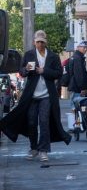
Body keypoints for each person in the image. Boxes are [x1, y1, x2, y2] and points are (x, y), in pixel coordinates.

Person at [0, 30, 71, 161]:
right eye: (38, 42)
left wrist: (44, 71)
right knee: (32, 122)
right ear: (34, 42)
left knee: (44, 121)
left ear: (45, 42)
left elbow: (58, 73)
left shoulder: (53, 57)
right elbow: (21, 72)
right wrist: (26, 69)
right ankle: (33, 148)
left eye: (42, 42)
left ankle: (43, 150)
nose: (40, 44)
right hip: (31, 96)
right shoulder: (29, 55)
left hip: (47, 96)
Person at [67, 41, 87, 129]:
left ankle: (76, 125)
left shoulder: (73, 57)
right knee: (77, 106)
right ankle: (77, 125)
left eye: (86, 47)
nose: (85, 49)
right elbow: (79, 74)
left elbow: (70, 72)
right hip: (77, 87)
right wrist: (83, 88)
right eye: (84, 47)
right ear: (78, 47)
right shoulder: (78, 58)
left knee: (74, 106)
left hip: (73, 85)